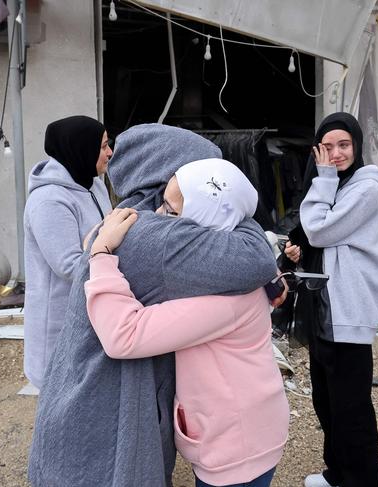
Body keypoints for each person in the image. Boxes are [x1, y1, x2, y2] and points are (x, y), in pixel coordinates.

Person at [28, 124, 279, 487]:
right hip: (104, 400)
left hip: (80, 390)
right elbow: (256, 259)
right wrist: (239, 211)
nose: (212, 180)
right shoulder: (155, 234)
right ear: (167, 173)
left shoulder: (136, 214)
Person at [85, 158, 290, 487]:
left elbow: (124, 335)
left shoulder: (225, 297)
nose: (160, 217)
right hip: (243, 426)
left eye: (171, 210)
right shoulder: (225, 265)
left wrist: (102, 255)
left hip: (236, 446)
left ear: (204, 218)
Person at [283, 113, 378, 487]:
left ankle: (362, 480)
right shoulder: (335, 185)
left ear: (357, 146)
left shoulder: (366, 187)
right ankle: (338, 474)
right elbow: (310, 233)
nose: (336, 154)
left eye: (343, 145)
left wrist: (323, 178)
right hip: (326, 307)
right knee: (326, 402)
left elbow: (321, 228)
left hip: (349, 308)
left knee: (352, 408)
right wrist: (298, 250)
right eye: (327, 148)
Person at [23, 115, 112, 390]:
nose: (110, 152)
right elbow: (70, 266)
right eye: (103, 146)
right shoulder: (49, 200)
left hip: (88, 310)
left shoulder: (91, 181)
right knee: (61, 396)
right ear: (80, 149)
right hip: (60, 319)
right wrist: (113, 255)